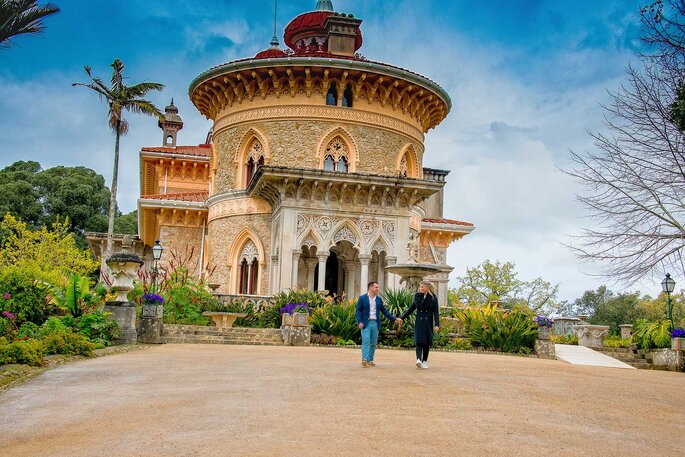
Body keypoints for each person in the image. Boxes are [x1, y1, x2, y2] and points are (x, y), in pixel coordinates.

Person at [355, 281, 402, 367]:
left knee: (373, 343)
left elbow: (384, 311)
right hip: (366, 323)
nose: (378, 289)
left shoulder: (379, 300)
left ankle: (370, 359)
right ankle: (364, 359)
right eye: (376, 287)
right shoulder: (362, 298)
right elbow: (358, 311)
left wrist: (394, 319)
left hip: (375, 323)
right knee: (366, 341)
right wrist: (360, 321)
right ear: (371, 288)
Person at [400, 280, 439, 369]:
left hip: (428, 322)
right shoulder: (417, 297)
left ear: (427, 287)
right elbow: (411, 308)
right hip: (419, 321)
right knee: (419, 341)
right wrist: (402, 317)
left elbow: (436, 312)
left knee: (426, 343)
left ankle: (424, 361)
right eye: (420, 287)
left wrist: (437, 324)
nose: (421, 288)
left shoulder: (433, 297)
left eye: (423, 287)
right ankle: (418, 359)